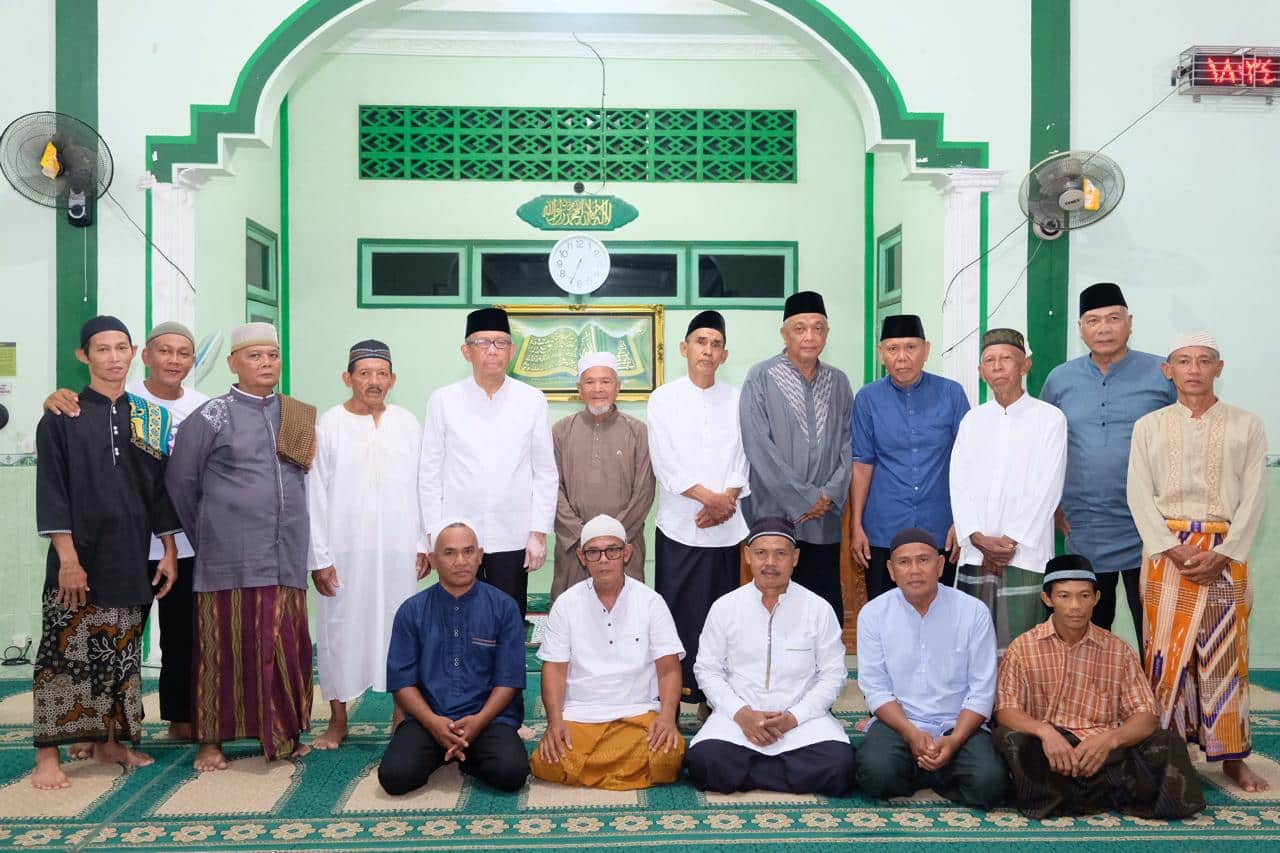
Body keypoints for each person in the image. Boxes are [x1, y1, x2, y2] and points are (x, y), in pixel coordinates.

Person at [32, 316, 180, 789]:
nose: (113, 357)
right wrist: (68, 559)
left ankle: (110, 741)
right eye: (102, 349)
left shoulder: (149, 416)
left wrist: (170, 551)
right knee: (63, 655)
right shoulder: (61, 416)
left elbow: (159, 492)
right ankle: (47, 756)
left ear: (133, 352)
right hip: (79, 556)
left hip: (132, 554)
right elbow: (52, 490)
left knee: (121, 653)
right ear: (84, 356)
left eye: (121, 348)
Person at [166, 322, 316, 771]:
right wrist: (210, 532)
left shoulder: (298, 414)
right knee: (223, 652)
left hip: (285, 555)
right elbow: (180, 482)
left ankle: (284, 735)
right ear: (233, 363)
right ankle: (211, 742)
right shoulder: (212, 415)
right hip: (227, 558)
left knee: (285, 648)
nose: (265, 363)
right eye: (254, 356)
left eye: (272, 355)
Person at [1128, 331, 1269, 792]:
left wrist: (1224, 554)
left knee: (1226, 655)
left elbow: (1254, 495)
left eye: (1204, 361)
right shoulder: (1149, 425)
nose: (1194, 370)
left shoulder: (1247, 424)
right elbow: (1137, 493)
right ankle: (1168, 750)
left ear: (1219, 368)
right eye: (1184, 361)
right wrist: (1170, 546)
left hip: (1226, 552)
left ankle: (1231, 756)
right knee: (1166, 657)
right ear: (1167, 370)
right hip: (1167, 553)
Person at [993, 556, 1205, 819]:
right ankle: (1112, 791)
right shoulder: (1022, 648)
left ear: (1096, 598)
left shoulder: (1118, 649)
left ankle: (1068, 796)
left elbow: (1146, 716)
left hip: (1106, 750)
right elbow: (1006, 710)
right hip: (1053, 752)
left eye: (1084, 596)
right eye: (1064, 596)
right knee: (1010, 741)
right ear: (1047, 599)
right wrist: (1045, 732)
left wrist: (1109, 739)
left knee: (1167, 743)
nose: (1075, 607)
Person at [1041, 282, 1175, 653]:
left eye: (1113, 319)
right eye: (1093, 320)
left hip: (1150, 527)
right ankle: (1094, 705)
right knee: (1087, 631)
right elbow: (1046, 446)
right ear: (1080, 328)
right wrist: (1050, 503)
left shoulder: (1161, 373)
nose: (1103, 328)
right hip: (1084, 524)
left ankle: (1155, 706)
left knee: (1154, 629)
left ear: (1129, 323)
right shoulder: (1060, 379)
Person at [308, 340, 428, 749]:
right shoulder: (329, 424)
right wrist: (319, 557)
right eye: (365, 374)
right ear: (348, 378)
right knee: (339, 629)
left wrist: (423, 542)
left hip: (397, 549)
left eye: (381, 374)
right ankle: (338, 720)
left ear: (393, 380)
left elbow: (423, 487)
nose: (374, 382)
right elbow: (315, 494)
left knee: (401, 628)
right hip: (344, 550)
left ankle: (401, 714)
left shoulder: (407, 423)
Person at [686, 517, 856, 796]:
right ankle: (789, 773)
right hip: (739, 720)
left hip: (801, 721)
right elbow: (707, 670)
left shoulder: (818, 608)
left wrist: (793, 717)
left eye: (780, 554)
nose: (770, 563)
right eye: (761, 553)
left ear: (795, 558)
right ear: (747, 556)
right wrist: (742, 714)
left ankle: (749, 774)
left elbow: (834, 675)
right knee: (704, 761)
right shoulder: (725, 607)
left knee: (840, 765)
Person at [419, 307, 557, 619]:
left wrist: (538, 532)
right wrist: (432, 534)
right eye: (482, 343)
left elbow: (545, 472)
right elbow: (429, 472)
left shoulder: (532, 399)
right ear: (466, 351)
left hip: (513, 534)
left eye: (500, 342)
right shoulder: (443, 400)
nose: (492, 350)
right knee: (456, 622)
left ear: (512, 350)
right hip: (456, 537)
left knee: (506, 623)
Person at [530, 515, 685, 790]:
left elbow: (669, 667)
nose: (604, 559)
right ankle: (620, 770)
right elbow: (554, 669)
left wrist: (667, 718)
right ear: (582, 556)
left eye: (612, 550)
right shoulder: (566, 604)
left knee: (667, 757)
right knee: (548, 761)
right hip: (581, 714)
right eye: (594, 552)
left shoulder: (651, 602)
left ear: (626, 553)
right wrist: (555, 723)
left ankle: (594, 770)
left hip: (639, 712)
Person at [855, 528, 1006, 809]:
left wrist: (955, 740)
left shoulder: (973, 612)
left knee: (990, 784)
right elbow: (876, 690)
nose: (914, 570)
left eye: (923, 560)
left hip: (957, 723)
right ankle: (937, 771)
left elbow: (982, 690)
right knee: (876, 776)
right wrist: (911, 733)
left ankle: (927, 768)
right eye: (904, 562)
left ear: (939, 565)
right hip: (901, 723)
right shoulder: (874, 614)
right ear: (891, 570)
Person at [377, 520, 528, 795]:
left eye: (468, 551)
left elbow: (510, 679)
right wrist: (434, 723)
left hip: (487, 719)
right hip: (428, 719)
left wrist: (478, 721)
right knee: (394, 778)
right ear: (433, 560)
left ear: (480, 556)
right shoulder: (412, 611)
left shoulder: (503, 607)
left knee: (512, 773)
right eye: (449, 553)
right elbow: (402, 681)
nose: (461, 561)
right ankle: (453, 750)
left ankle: (462, 753)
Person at [647, 310, 749, 716]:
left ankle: (715, 698)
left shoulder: (738, 398)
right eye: (701, 342)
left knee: (723, 616)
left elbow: (744, 457)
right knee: (676, 614)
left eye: (716, 344)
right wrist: (710, 498)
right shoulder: (664, 399)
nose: (708, 351)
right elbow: (665, 461)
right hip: (679, 526)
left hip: (727, 530)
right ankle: (674, 696)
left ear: (724, 355)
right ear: (683, 348)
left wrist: (727, 500)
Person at [739, 291, 853, 624]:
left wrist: (828, 495)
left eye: (818, 328)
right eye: (800, 328)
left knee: (822, 608)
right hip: (775, 514)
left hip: (823, 519)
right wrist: (804, 498)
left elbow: (850, 444)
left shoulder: (839, 381)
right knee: (773, 607)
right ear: (784, 333)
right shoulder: (760, 376)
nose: (809, 336)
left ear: (827, 335)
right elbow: (758, 446)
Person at [950, 329, 1067, 654]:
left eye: (1006, 359)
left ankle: (1019, 707)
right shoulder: (973, 420)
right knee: (976, 648)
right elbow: (958, 484)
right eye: (990, 360)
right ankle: (980, 707)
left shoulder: (1049, 419)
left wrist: (1010, 542)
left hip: (1025, 554)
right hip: (977, 553)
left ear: (1025, 365)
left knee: (1023, 648)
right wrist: (976, 537)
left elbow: (1048, 487)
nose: (998, 366)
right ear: (980, 371)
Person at [850, 314, 968, 600]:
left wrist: (962, 521)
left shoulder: (952, 394)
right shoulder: (867, 399)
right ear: (881, 354)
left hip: (941, 526)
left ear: (926, 350)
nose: (902, 357)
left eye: (910, 347)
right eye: (892, 349)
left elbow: (967, 462)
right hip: (883, 526)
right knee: (884, 613)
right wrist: (856, 525)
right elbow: (862, 464)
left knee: (939, 613)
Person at [550, 352, 654, 600]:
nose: (598, 389)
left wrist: (612, 539)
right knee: (572, 616)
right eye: (590, 382)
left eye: (606, 382)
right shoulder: (561, 431)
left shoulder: (638, 432)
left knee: (627, 615)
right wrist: (582, 537)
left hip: (623, 546)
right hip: (574, 546)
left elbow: (644, 492)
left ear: (617, 387)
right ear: (579, 388)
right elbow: (551, 488)